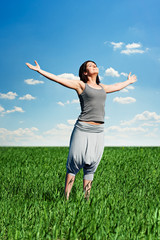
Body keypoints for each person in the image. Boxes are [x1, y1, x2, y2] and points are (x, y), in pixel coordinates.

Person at [26, 60, 137, 200]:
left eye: (95, 64)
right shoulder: (81, 85)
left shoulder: (102, 87)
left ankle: (86, 200)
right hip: (83, 128)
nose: (94, 66)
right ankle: (65, 199)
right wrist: (39, 70)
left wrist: (128, 81)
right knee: (74, 162)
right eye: (90, 66)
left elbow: (116, 86)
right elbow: (60, 80)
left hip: (99, 131)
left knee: (91, 165)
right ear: (85, 72)